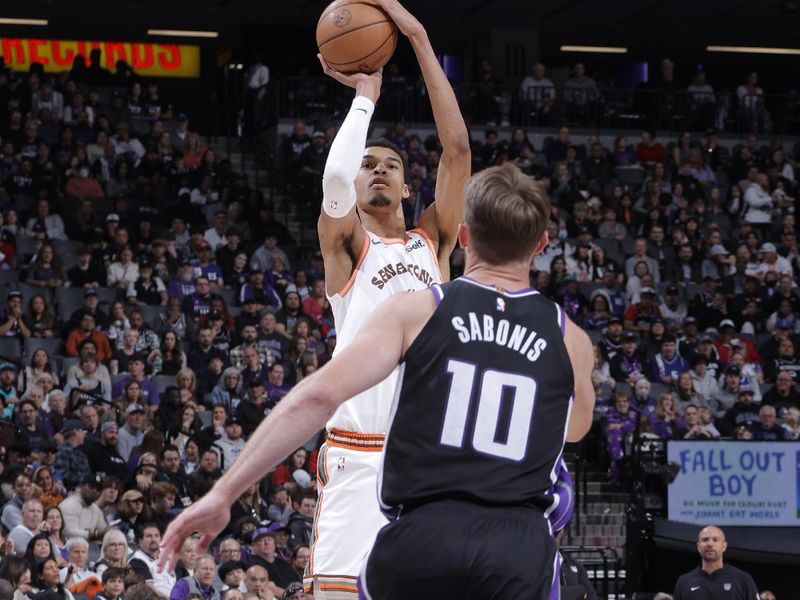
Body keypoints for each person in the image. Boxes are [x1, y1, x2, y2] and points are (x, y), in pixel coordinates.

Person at [159, 160, 594, 600]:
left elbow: (319, 396)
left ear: (464, 237)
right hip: (518, 545)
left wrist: (224, 491)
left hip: (425, 533)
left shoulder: (419, 309)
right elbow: (575, 427)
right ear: (541, 243)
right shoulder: (571, 340)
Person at [302, 2, 470, 594]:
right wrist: (364, 98)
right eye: (368, 163)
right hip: (359, 452)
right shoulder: (347, 249)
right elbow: (334, 183)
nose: (374, 171)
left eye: (388, 165)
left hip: (431, 458)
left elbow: (456, 151)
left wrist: (420, 39)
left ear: (405, 184)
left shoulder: (434, 242)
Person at [673, 525, 759, 600]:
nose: (710, 544)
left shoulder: (743, 580)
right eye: (705, 540)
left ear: (724, 546)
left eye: (715, 540)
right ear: (698, 547)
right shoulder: (684, 582)